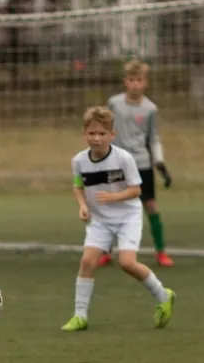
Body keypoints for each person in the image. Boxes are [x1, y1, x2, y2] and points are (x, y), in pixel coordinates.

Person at [61, 106, 175, 332]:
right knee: (86, 263)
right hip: (100, 220)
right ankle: (80, 316)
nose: (96, 138)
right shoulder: (79, 161)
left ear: (112, 135)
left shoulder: (124, 159)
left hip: (127, 217)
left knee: (127, 263)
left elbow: (136, 190)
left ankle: (164, 295)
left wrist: (113, 197)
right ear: (84, 134)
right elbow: (77, 187)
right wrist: (83, 206)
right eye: (92, 133)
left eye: (102, 133)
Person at [99, 59, 174, 268]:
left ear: (145, 83)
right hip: (117, 164)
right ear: (125, 81)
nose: (135, 84)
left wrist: (160, 164)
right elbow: (105, 129)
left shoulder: (150, 108)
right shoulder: (114, 104)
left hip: (141, 165)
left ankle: (161, 252)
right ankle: (106, 251)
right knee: (112, 206)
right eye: (131, 80)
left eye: (139, 80)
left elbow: (153, 138)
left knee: (150, 205)